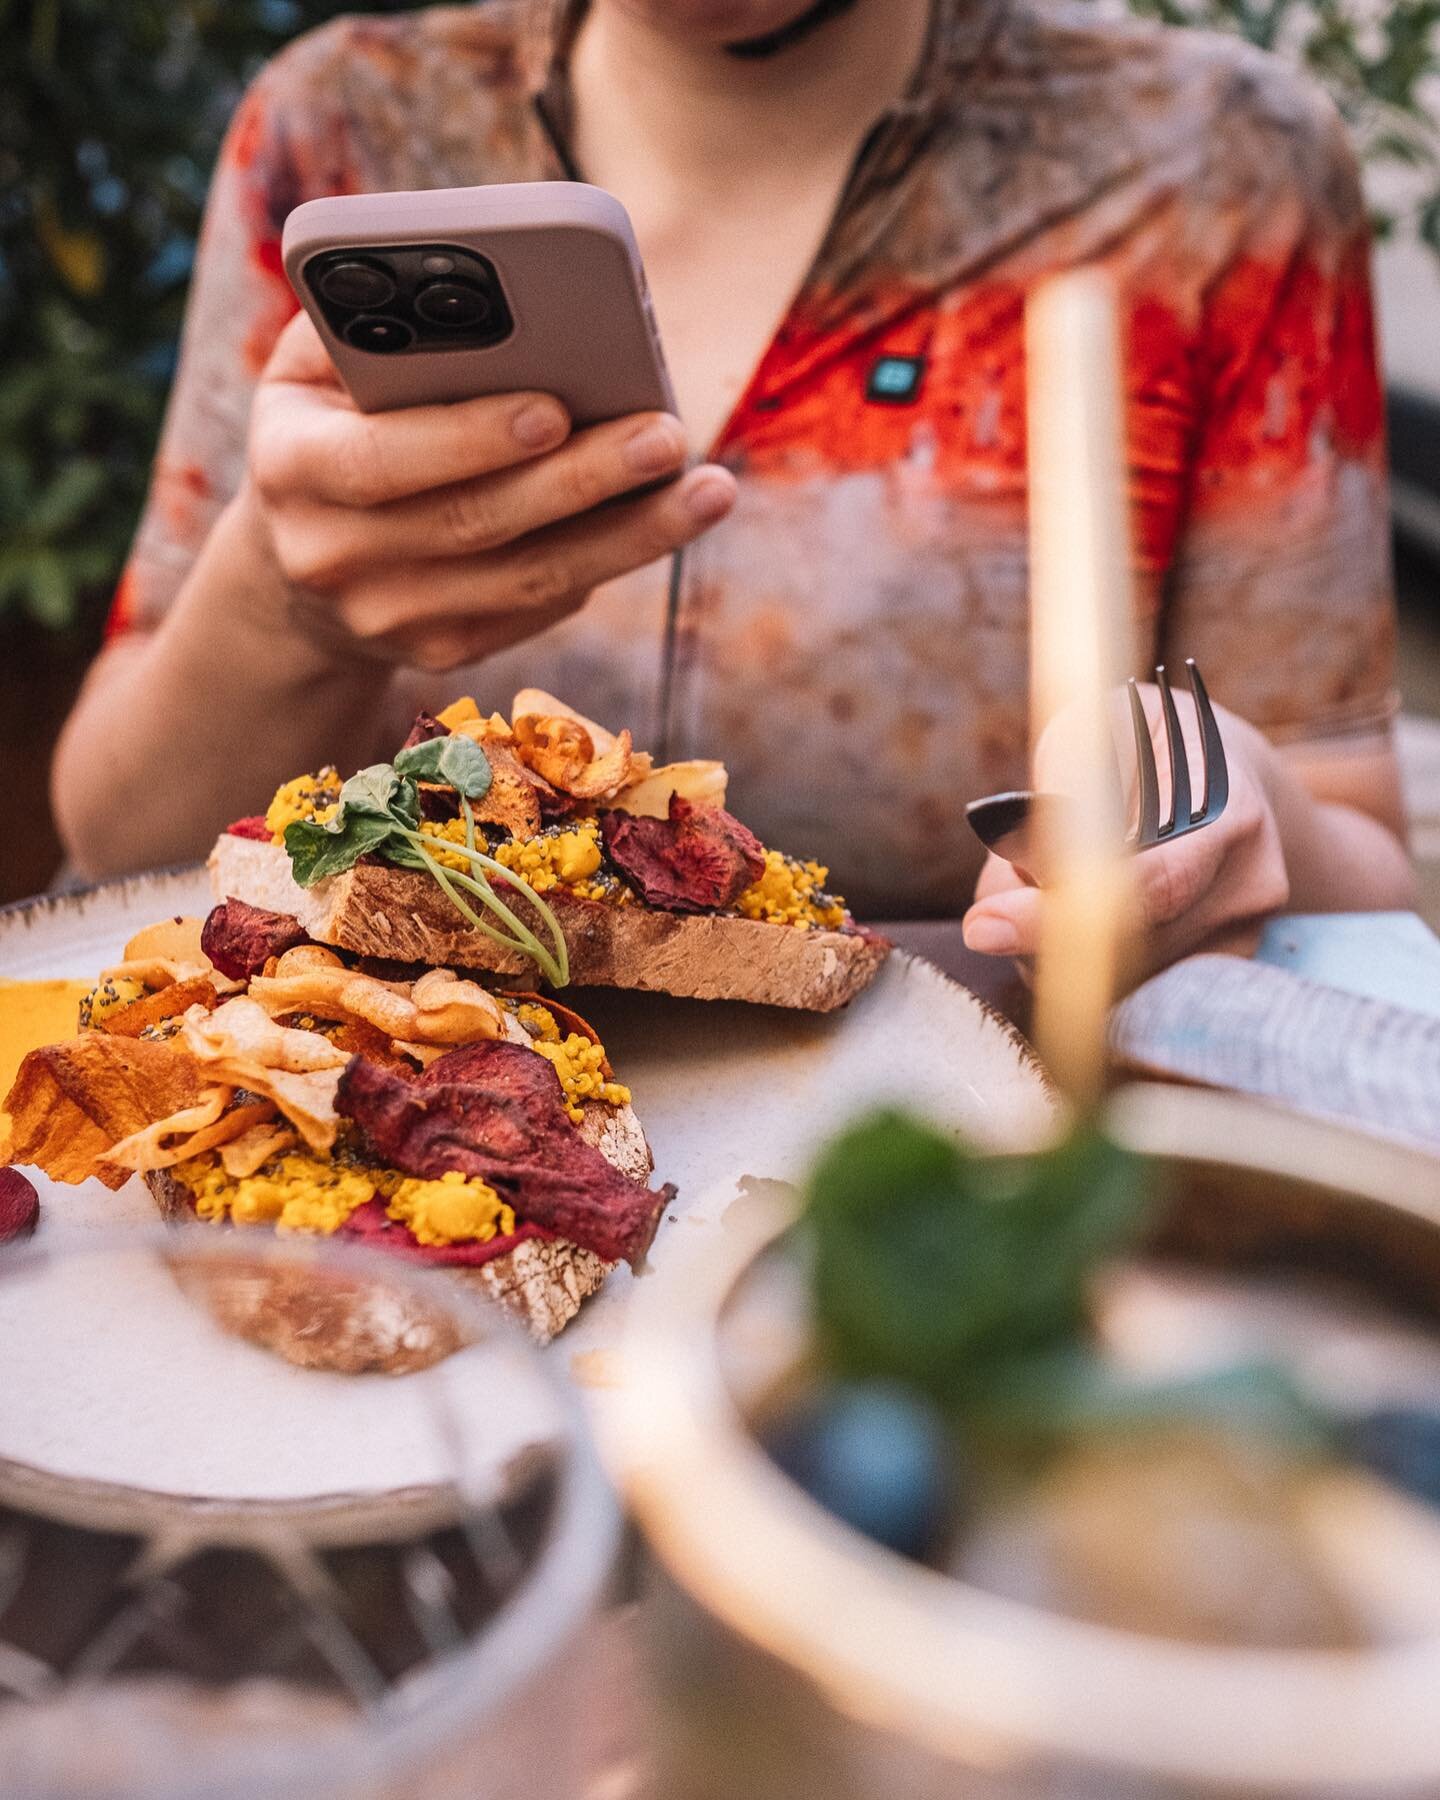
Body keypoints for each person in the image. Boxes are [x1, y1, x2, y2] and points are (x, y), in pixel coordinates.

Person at [53, 0, 1414, 971]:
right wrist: (289, 613)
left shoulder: (1215, 174)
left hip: (946, 1170)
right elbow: (118, 844)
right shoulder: (344, 126)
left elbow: (1359, 868)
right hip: (400, 1152)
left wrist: (1234, 811)